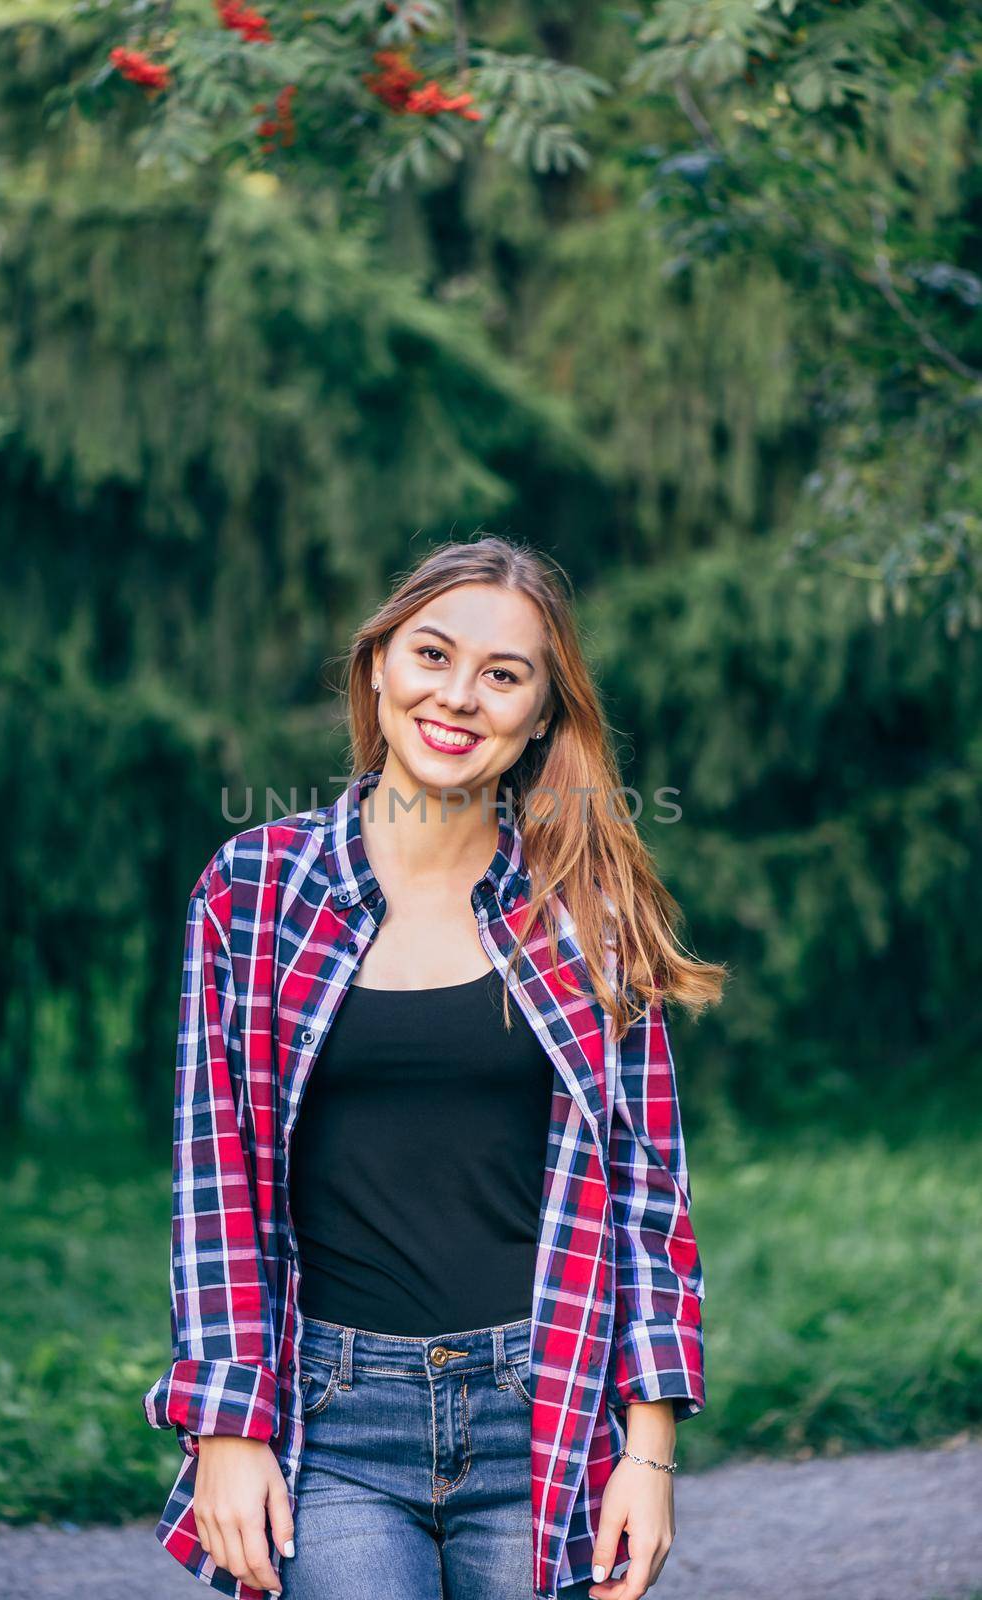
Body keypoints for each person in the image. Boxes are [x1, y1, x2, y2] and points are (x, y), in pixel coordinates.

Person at [143, 535, 726, 1600]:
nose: (459, 697)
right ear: (378, 666)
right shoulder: (255, 888)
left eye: (504, 674)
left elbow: (648, 1190)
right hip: (333, 1423)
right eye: (431, 655)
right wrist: (224, 1423)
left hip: (544, 1403)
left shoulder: (584, 908)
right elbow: (212, 1176)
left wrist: (648, 1452)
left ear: (544, 713)